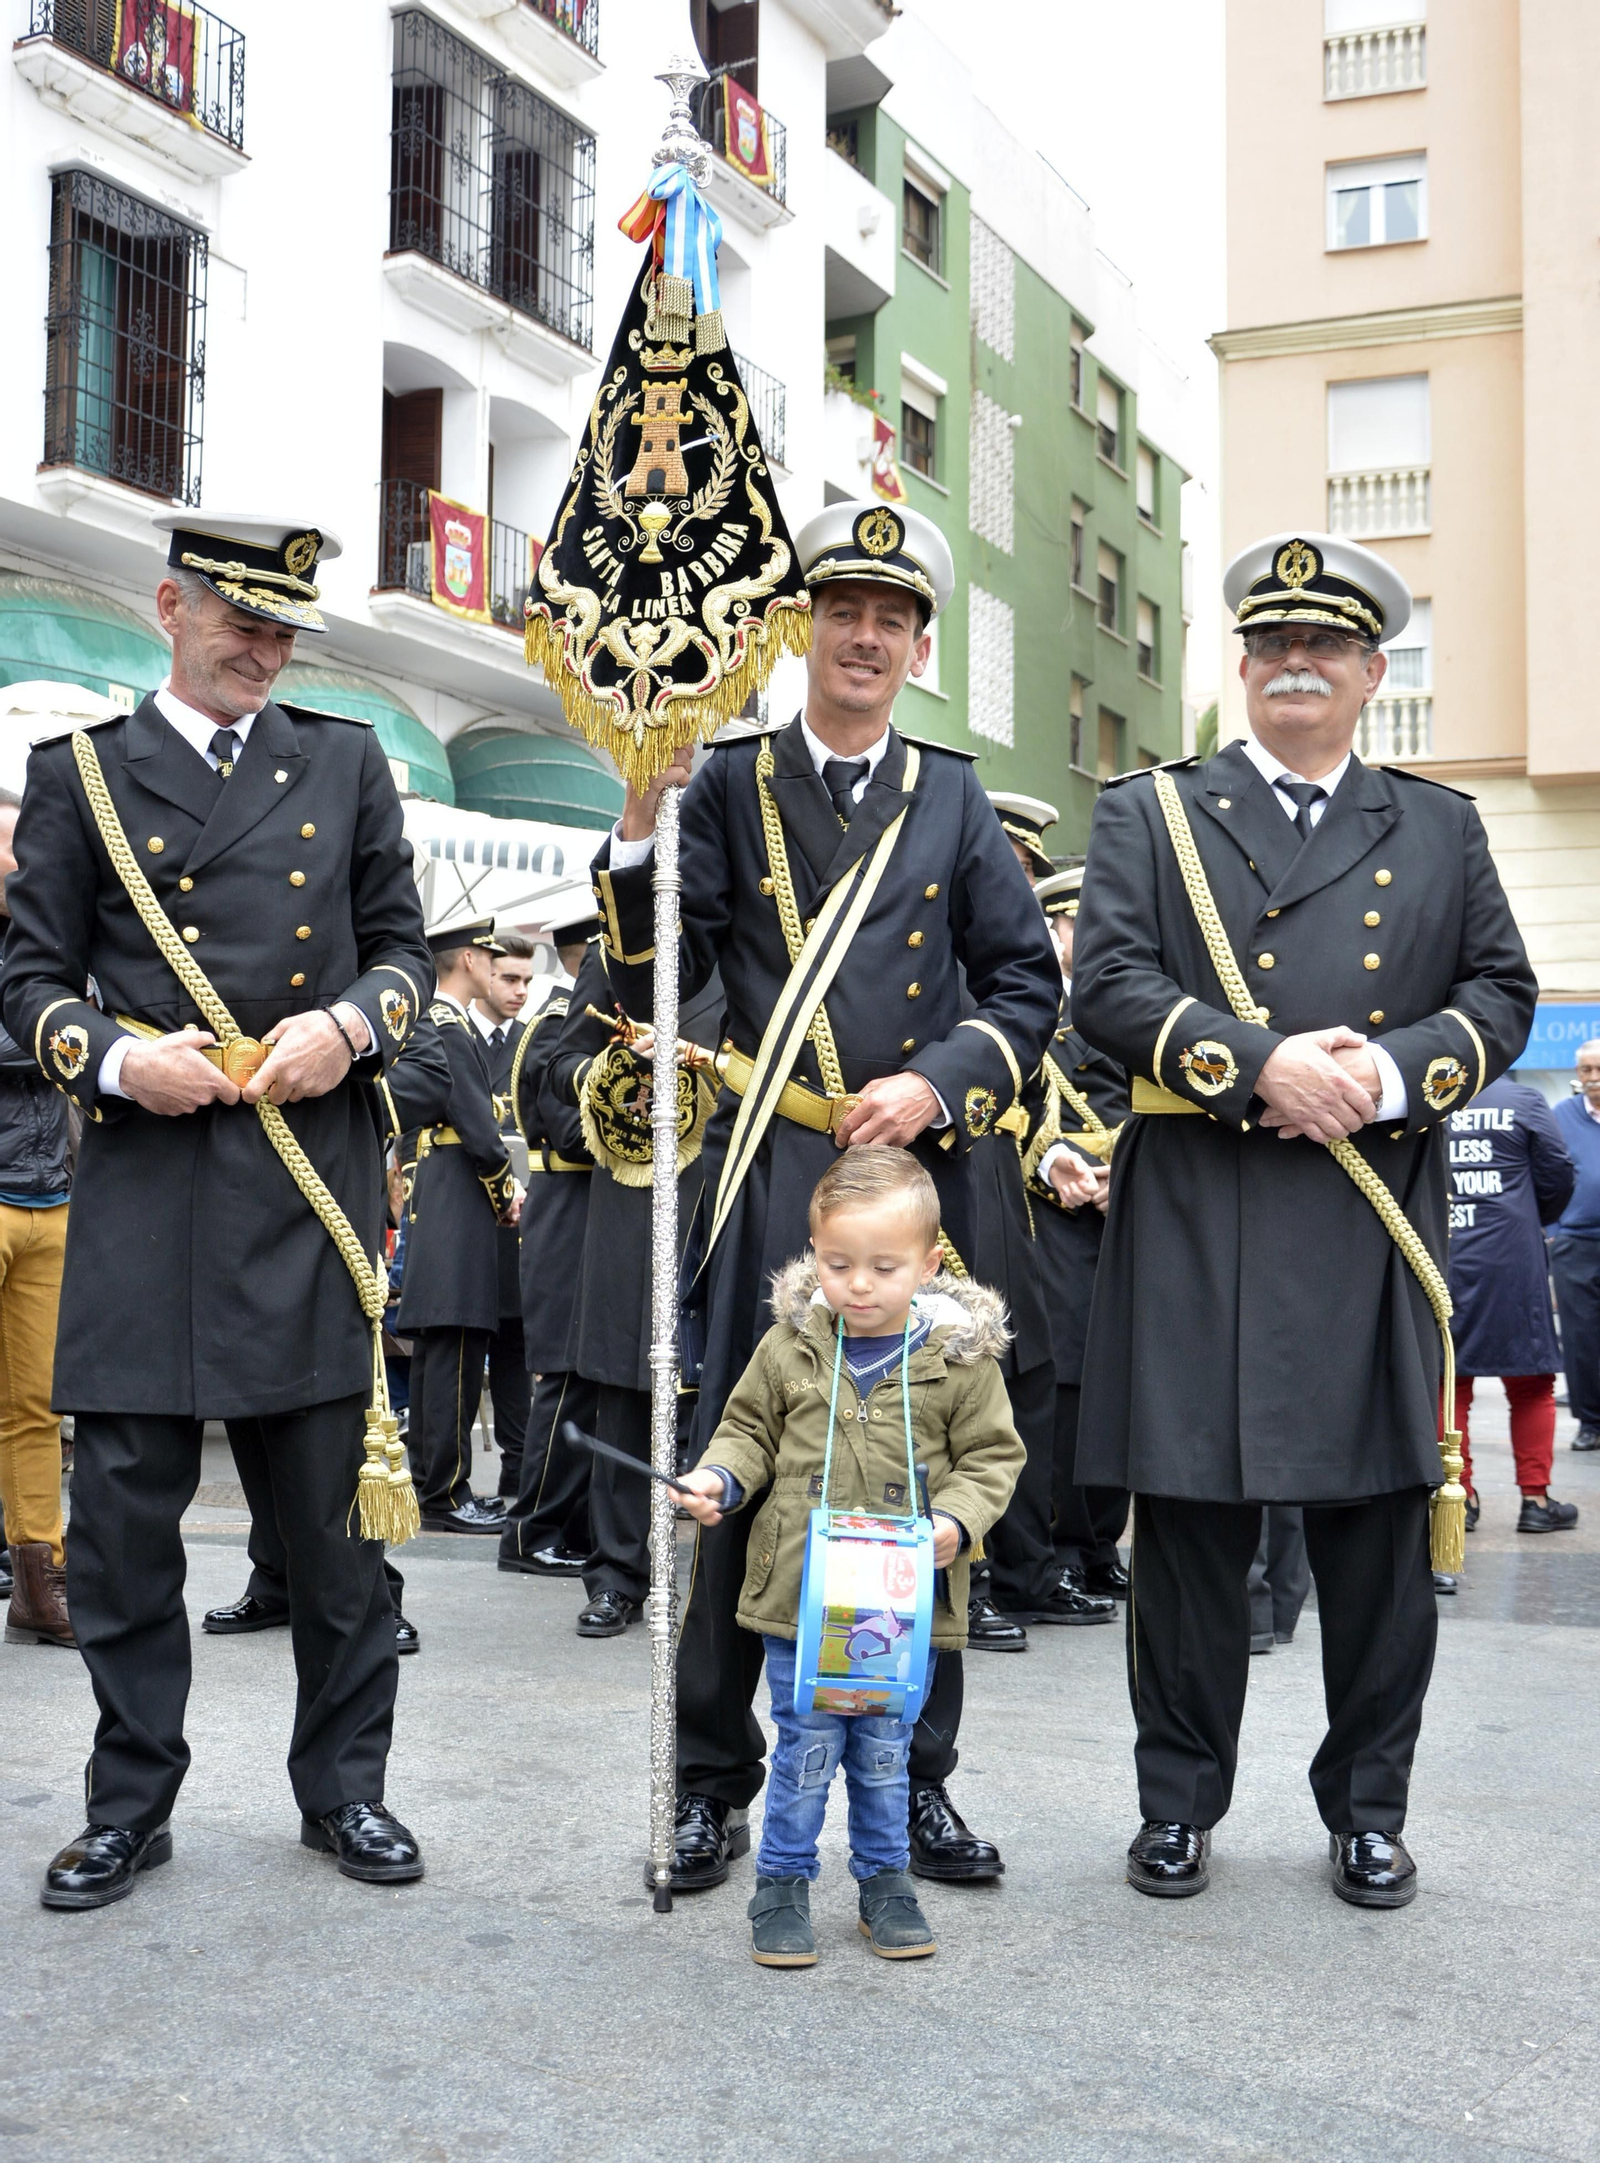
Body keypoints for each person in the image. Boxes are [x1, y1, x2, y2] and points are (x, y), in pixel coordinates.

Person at [589, 500, 1060, 1891]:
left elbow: (1028, 986)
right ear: (801, 630)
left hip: (917, 1189)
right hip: (771, 1176)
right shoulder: (727, 782)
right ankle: (711, 1776)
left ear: (919, 645)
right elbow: (645, 982)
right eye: (842, 610)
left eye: (892, 618)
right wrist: (637, 813)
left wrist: (937, 1080)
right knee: (748, 1477)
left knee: (913, 1475)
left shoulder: (958, 796)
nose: (865, 635)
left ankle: (913, 1782)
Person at [1074, 530, 1537, 1909]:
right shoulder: (1149, 809)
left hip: (1368, 1210)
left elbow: (1502, 994)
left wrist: (1383, 1075)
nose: (1295, 664)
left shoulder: (1439, 823)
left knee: (1381, 1537)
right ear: (1244, 663)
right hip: (1202, 1212)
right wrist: (1254, 1062)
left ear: (1369, 670)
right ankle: (1178, 1803)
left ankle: (1369, 1807)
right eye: (1273, 644)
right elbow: (1104, 979)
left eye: (1324, 646)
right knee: (1195, 1539)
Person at [1, 512, 435, 1906]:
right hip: (143, 1183)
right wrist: (123, 1057)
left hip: (303, 1182)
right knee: (125, 1532)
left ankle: (346, 1790)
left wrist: (352, 1029)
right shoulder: (76, 775)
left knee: (333, 1536)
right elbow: (29, 979)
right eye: (238, 616)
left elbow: (404, 949)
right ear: (169, 606)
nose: (263, 644)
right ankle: (130, 1800)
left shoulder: (348, 761)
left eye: (284, 625)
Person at [675, 1148, 1024, 1967]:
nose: (858, 1284)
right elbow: (747, 1430)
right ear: (814, 1256)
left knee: (882, 1754)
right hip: (801, 1594)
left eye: (883, 1266)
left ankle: (884, 1883)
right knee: (804, 1750)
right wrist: (719, 1477)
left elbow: (992, 1458)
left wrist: (958, 1520)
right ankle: (782, 1883)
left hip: (900, 1605)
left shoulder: (960, 1362)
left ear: (930, 1264)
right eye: (837, 1264)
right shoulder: (789, 1347)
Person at [199, 1023, 454, 1653]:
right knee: (248, 1402)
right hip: (232, 1190)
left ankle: (371, 1590)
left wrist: (328, 1086)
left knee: (335, 1423)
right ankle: (277, 1573)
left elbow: (427, 1072)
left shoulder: (355, 964)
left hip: (325, 1192)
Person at [540, 949, 724, 1637]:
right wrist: (616, 1072)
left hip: (730, 1177)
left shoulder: (763, 925)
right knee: (624, 1387)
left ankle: (722, 1578)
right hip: (636, 1193)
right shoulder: (617, 949)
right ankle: (618, 1574)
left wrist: (703, 1063)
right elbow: (560, 1066)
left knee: (734, 1384)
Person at [393, 919, 522, 1534]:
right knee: (456, 1356)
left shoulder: (436, 1022)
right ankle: (444, 1491)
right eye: (488, 957)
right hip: (459, 1201)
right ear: (468, 959)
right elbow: (478, 1124)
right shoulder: (447, 1024)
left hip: (439, 1196)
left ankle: (435, 1482)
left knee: (443, 1356)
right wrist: (504, 1191)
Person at [1026, 865, 1130, 1613]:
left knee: (1117, 1387)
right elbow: (1013, 1114)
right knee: (1063, 1396)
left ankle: (1100, 1546)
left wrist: (1121, 1164)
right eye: (1074, 926)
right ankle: (1058, 1550)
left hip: (1128, 1220)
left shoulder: (1132, 1012)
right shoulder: (1034, 1017)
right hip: (1057, 1225)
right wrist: (1058, 1162)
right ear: (1057, 933)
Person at [497, 908, 602, 1579]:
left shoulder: (575, 1022)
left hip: (584, 1209)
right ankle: (532, 1529)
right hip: (567, 1206)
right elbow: (566, 1129)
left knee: (586, 1375)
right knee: (564, 1375)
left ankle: (570, 1522)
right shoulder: (559, 1024)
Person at [0, 786, 75, 1648]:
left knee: (36, 1405)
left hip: (48, 1189)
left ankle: (37, 1580)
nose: (26, 864)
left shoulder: (59, 940)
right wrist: (75, 1035)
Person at [1445, 1073, 1577, 1537]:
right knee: (1532, 1384)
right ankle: (1535, 1501)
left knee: (1451, 1386)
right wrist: (1529, 1215)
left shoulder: (1428, 1100)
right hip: (1511, 1257)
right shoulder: (1522, 1099)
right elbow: (1558, 1170)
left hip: (1443, 1254)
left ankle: (1459, 1500)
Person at [470, 931, 536, 1500]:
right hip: (465, 1216)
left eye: (526, 982)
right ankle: (448, 1479)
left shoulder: (531, 1045)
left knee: (516, 1348)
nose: (518, 991)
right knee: (462, 1350)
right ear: (482, 972)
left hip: (519, 1221)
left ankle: (519, 1469)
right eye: (509, 978)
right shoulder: (457, 1034)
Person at [1548, 1041, 1600, 1452]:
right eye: (1586, 1070)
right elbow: (1544, 1168)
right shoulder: (1561, 1116)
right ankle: (1590, 1423)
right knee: (1581, 1339)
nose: (1593, 1078)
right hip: (1575, 1243)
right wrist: (1554, 1228)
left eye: (1599, 1069)